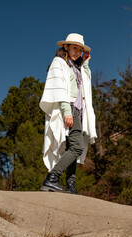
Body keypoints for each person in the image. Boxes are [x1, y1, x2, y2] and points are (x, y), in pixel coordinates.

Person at [39, 33, 97, 194]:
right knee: (77, 147)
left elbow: (85, 83)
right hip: (69, 108)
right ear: (66, 47)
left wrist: (85, 63)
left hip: (78, 110)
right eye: (74, 48)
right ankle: (52, 178)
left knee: (72, 146)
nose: (77, 52)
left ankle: (70, 185)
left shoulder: (76, 66)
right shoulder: (59, 62)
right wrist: (66, 112)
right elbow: (58, 87)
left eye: (80, 49)